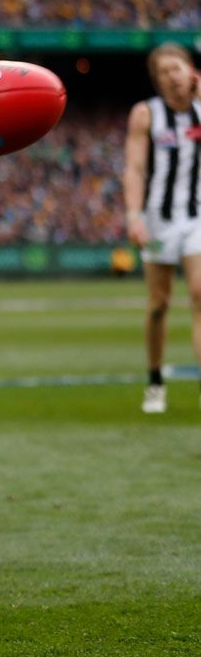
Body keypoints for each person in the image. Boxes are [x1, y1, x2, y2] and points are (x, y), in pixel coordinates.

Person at [123, 42, 201, 414]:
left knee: (200, 294)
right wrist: (134, 215)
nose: (172, 77)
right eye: (164, 72)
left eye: (177, 69)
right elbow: (135, 168)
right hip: (158, 218)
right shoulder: (146, 114)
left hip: (198, 216)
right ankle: (155, 380)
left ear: (190, 70)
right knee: (159, 303)